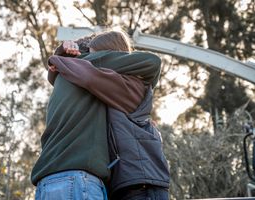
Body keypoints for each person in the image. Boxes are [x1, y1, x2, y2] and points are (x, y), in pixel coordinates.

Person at [31, 30, 167, 200]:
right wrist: (62, 56)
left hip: (141, 183)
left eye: (94, 55)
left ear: (108, 56)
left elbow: (152, 61)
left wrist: (61, 59)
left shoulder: (128, 85)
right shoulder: (96, 84)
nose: (90, 61)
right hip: (114, 182)